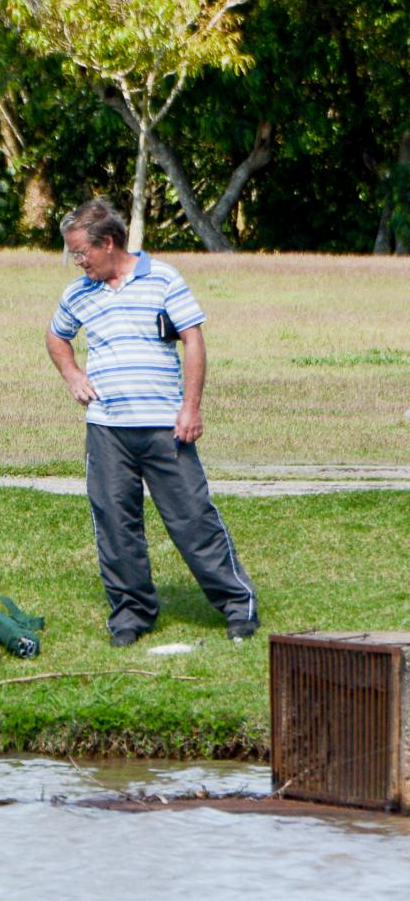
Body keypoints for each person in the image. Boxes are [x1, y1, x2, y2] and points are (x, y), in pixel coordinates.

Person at [45, 198, 259, 647]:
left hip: (165, 426)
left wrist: (191, 408)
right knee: (115, 525)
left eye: (81, 252)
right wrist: (72, 375)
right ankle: (131, 614)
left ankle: (238, 607)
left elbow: (193, 341)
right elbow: (56, 335)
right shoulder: (78, 293)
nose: (77, 261)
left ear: (107, 243)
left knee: (192, 520)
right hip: (107, 430)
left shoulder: (162, 278)